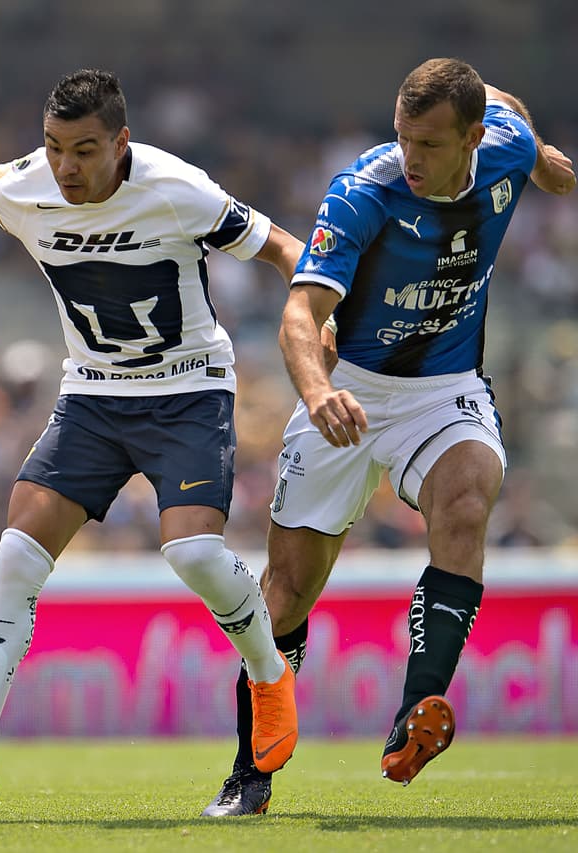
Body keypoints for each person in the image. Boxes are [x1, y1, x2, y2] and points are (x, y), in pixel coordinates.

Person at [0, 68, 305, 822]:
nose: (65, 167)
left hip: (189, 390)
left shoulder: (179, 189)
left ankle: (267, 673)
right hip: (93, 396)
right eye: (54, 147)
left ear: (121, 142)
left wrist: (316, 314)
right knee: (15, 557)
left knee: (193, 554)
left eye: (84, 150)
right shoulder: (22, 185)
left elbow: (283, 248)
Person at [203, 57, 576, 817]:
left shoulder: (505, 145)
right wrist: (318, 391)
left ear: (473, 137)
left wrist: (540, 159)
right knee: (287, 594)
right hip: (349, 388)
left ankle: (415, 713)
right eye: (403, 137)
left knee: (468, 497)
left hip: (443, 389)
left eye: (429, 144)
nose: (410, 157)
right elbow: (300, 315)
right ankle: (249, 773)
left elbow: (505, 103)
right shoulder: (363, 192)